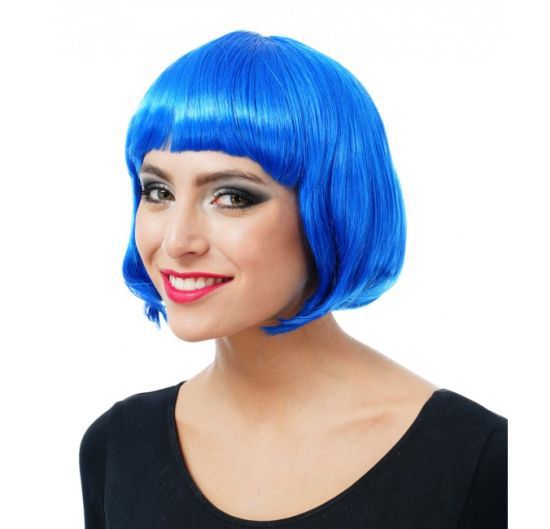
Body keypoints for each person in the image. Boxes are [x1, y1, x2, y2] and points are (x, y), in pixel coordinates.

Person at [79, 30, 507, 528]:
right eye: (158, 192)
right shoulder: (117, 447)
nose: (177, 241)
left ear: (331, 209)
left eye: (232, 197)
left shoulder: (478, 462)